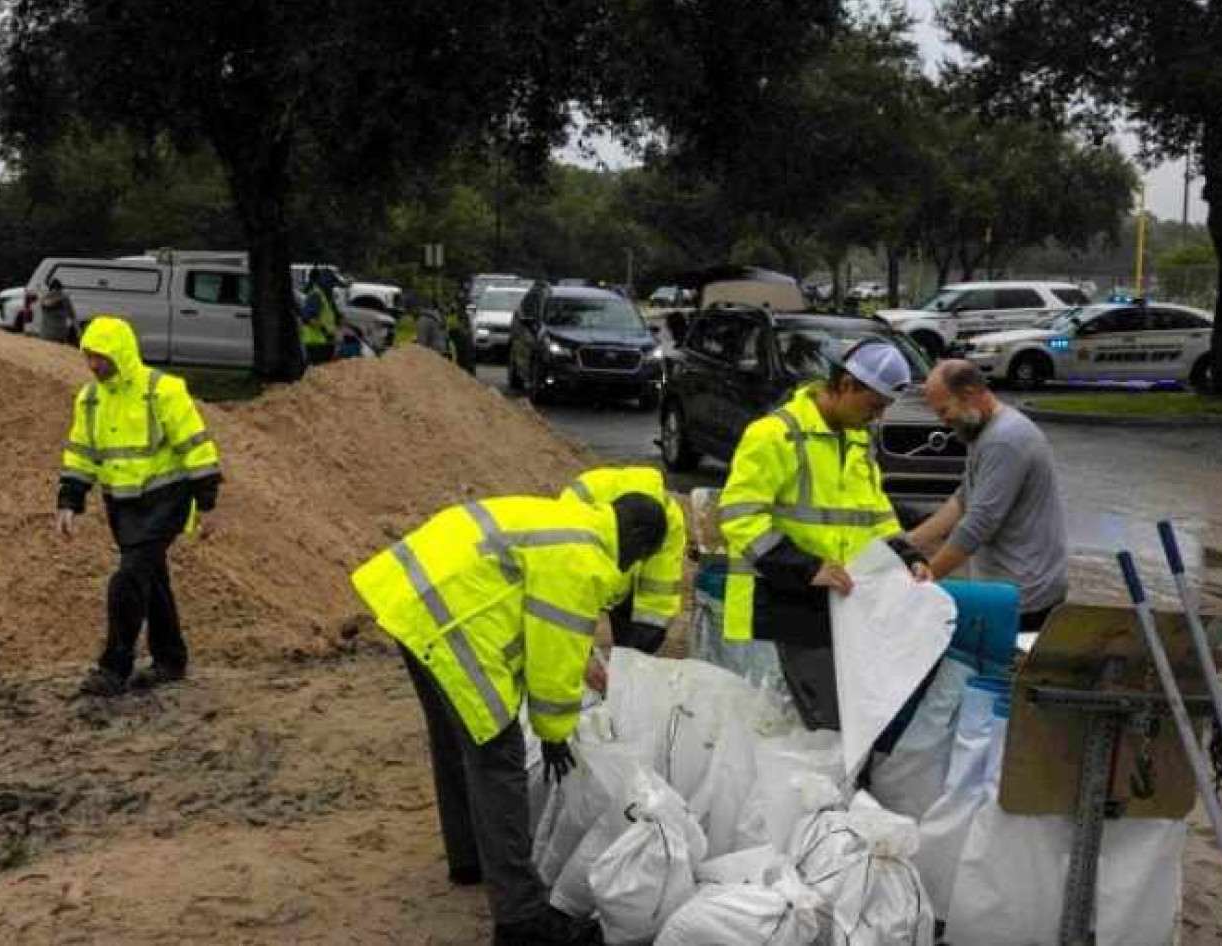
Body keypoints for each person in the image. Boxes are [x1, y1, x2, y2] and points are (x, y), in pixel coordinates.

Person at [353, 493, 669, 946]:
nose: (629, 569)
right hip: (452, 618)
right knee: (498, 756)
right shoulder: (583, 558)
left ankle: (470, 860)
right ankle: (520, 917)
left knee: (453, 738)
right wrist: (555, 734)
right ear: (635, 538)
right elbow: (550, 659)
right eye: (639, 558)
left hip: (413, 596)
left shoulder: (572, 521)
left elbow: (535, 612)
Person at [712, 338, 930, 730]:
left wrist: (907, 555)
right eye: (873, 406)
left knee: (841, 724)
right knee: (824, 725)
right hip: (787, 600)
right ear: (846, 385)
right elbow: (739, 515)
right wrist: (804, 567)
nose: (876, 418)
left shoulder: (858, 439)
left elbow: (874, 512)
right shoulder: (775, 434)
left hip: (840, 601)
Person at [56, 316, 223, 696]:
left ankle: (113, 668)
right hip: (122, 505)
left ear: (122, 354)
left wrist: (207, 503)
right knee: (153, 578)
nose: (94, 365)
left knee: (128, 580)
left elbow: (195, 446)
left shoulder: (162, 390)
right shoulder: (91, 398)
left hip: (167, 500)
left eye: (101, 357)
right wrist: (70, 500)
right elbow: (82, 453)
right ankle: (170, 659)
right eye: (89, 357)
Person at [906, 359, 1070, 631]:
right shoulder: (983, 430)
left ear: (969, 394)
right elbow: (963, 499)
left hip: (1023, 596)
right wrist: (910, 542)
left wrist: (927, 577)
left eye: (945, 410)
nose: (943, 421)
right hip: (1007, 587)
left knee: (997, 668)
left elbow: (978, 525)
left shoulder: (1003, 440)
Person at [555, 466, 688, 656]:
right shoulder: (585, 497)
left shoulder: (669, 522)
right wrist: (584, 657)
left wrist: (638, 651)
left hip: (626, 588)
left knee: (636, 638)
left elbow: (659, 590)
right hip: (582, 574)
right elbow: (564, 589)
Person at [299, 267, 342, 365]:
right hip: (316, 343)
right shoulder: (316, 296)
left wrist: (340, 321)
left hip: (325, 342)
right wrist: (324, 330)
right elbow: (307, 318)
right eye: (331, 285)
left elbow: (331, 316)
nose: (333, 288)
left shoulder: (326, 297)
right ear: (325, 283)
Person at [31, 276, 79, 344]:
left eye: (58, 289)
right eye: (55, 289)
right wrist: (60, 298)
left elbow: (72, 315)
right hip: (48, 335)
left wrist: (77, 330)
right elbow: (47, 303)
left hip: (59, 334)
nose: (56, 291)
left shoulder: (65, 299)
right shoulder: (48, 298)